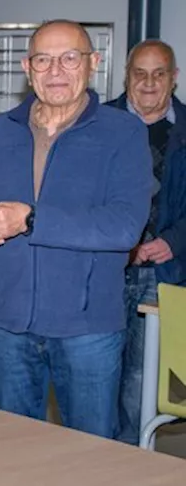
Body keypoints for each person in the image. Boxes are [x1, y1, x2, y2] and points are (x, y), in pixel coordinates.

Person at [0, 19, 152, 439]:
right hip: (8, 325)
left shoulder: (123, 133)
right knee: (13, 450)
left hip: (88, 331)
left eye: (69, 58)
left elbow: (123, 227)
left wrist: (29, 219)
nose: (56, 71)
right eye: (43, 60)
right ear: (27, 68)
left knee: (91, 456)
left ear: (93, 63)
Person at [105, 39, 186, 444]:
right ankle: (85, 456)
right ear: (127, 77)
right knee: (94, 367)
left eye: (159, 73)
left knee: (139, 374)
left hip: (163, 269)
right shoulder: (97, 124)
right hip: (104, 268)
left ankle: (127, 462)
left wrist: (174, 240)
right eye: (140, 73)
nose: (149, 82)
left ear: (174, 78)